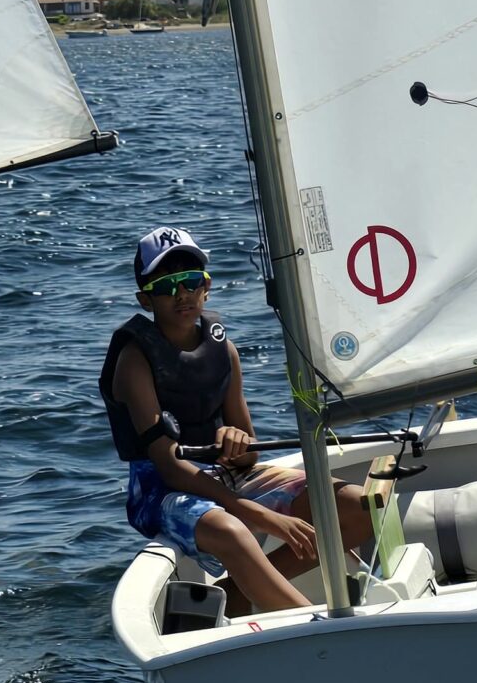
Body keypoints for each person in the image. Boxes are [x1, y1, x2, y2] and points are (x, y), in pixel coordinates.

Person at [99, 225, 369, 614]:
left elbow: (248, 460)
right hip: (159, 488)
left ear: (206, 288)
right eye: (167, 285)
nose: (183, 294)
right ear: (145, 298)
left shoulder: (223, 349)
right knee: (233, 531)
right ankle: (319, 629)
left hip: (223, 476)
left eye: (192, 281)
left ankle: (239, 594)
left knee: (357, 506)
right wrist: (257, 513)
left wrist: (235, 443)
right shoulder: (134, 360)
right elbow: (169, 467)